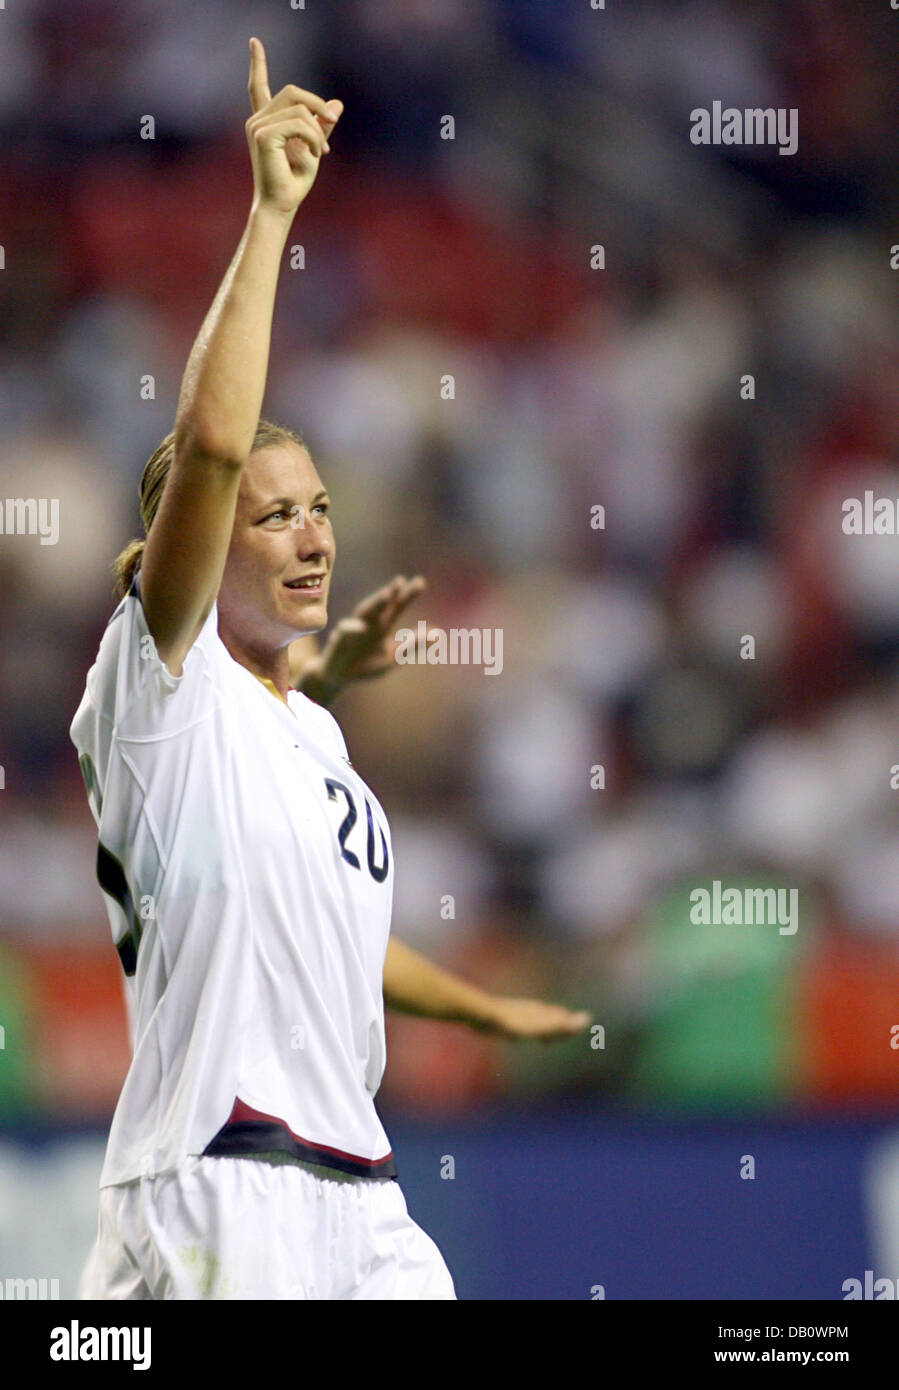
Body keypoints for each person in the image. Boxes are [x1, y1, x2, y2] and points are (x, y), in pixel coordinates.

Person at [70, 37, 590, 1301]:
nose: (311, 534)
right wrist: (270, 216)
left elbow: (330, 934)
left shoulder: (304, 732)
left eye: (315, 507)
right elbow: (206, 445)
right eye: (271, 514)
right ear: (188, 548)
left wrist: (476, 1007)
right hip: (224, 1178)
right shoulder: (153, 679)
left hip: (363, 1195)